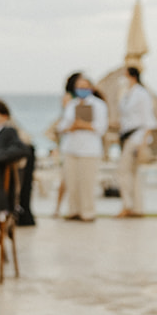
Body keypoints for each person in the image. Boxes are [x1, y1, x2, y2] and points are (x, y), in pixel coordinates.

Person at [57, 72, 108, 222]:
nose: (82, 89)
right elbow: (61, 126)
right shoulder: (71, 104)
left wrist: (84, 125)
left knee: (87, 183)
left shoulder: (99, 105)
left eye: (85, 87)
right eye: (79, 87)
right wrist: (71, 127)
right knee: (72, 182)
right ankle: (73, 211)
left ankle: (88, 212)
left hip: (89, 150)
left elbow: (101, 127)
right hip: (71, 148)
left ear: (91, 88)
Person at [117, 66, 156, 218]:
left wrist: (143, 144)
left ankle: (129, 205)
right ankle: (135, 207)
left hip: (137, 138)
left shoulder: (142, 94)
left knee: (123, 171)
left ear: (131, 76)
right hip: (128, 136)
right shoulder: (128, 94)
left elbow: (149, 121)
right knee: (131, 173)